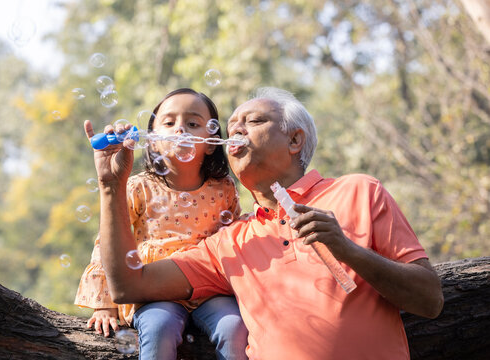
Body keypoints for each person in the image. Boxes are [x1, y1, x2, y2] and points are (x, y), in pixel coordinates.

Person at [84, 86, 444, 360]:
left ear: (294, 139)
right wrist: (111, 187)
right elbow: (129, 285)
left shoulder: (359, 191)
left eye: (253, 122)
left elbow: (430, 300)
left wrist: (347, 249)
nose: (235, 132)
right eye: (230, 126)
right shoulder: (232, 239)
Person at [76, 88, 249, 360]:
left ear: (211, 142)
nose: (180, 129)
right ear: (153, 141)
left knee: (236, 326)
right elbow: (107, 243)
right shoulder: (138, 186)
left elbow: (235, 240)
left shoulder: (224, 188)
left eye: (193, 124)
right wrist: (104, 303)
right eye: (169, 123)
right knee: (159, 328)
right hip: (153, 289)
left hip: (208, 288)